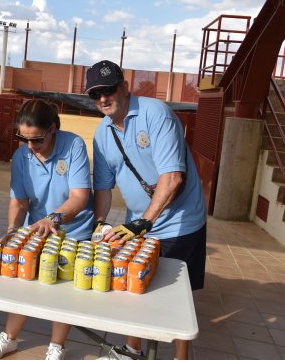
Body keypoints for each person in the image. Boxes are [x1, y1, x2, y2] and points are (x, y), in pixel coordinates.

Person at [86, 60, 206, 360]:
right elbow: (103, 187)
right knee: (134, 287)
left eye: (108, 90)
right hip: (138, 223)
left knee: (176, 298)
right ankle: (131, 350)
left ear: (124, 87)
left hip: (180, 221)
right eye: (94, 94)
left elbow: (173, 177)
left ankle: (181, 357)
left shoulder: (156, 113)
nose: (102, 98)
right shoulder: (103, 133)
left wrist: (143, 223)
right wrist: (99, 222)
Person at [0, 99, 94, 360]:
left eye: (37, 140)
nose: (31, 147)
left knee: (63, 286)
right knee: (24, 281)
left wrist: (53, 219)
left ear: (52, 129)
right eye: (24, 139)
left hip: (72, 229)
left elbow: (79, 196)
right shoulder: (22, 156)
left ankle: (56, 345)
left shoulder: (73, 145)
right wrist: (12, 230)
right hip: (37, 228)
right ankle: (9, 337)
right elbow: (20, 200)